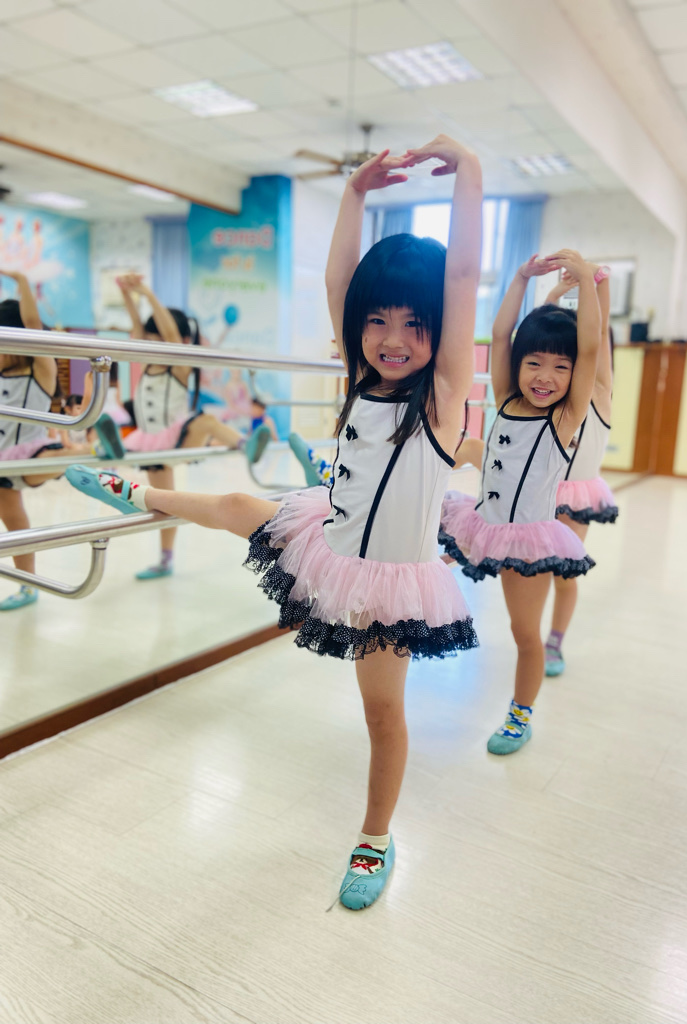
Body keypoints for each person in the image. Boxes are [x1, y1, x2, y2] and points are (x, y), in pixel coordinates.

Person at [66, 135, 482, 910]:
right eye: (378, 320)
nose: (393, 339)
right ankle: (140, 493)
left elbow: (460, 277)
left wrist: (469, 176)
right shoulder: (360, 377)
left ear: (441, 331)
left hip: (393, 577)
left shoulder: (441, 394)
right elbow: (337, 282)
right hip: (331, 535)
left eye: (414, 324)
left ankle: (375, 837)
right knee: (233, 507)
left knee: (382, 712)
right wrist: (353, 192)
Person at [440, 251, 600, 754]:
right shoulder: (507, 399)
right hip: (481, 524)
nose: (545, 376)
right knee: (421, 541)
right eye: (534, 363)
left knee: (524, 633)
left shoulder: (565, 417)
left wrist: (588, 281)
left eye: (560, 367)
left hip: (529, 540)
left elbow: (591, 347)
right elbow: (500, 332)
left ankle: (520, 714)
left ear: (574, 374)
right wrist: (520, 278)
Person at [114, 274, 264, 581]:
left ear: (179, 342)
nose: (153, 343)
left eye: (158, 338)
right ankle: (165, 559)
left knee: (205, 420)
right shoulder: (147, 362)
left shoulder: (180, 366)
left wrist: (146, 292)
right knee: (163, 501)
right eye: (150, 338)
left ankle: (245, 445)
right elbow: (137, 327)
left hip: (179, 436)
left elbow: (169, 333)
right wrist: (126, 293)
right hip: (150, 442)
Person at [0, 272, 121, 612]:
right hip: (4, 461)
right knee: (14, 522)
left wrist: (22, 280)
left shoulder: (40, 367)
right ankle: (28, 585)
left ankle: (96, 451)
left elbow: (31, 324)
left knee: (59, 460)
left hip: (32, 452)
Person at [542, 265, 618, 677]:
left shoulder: (599, 394)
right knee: (532, 570)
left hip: (575, 496)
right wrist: (556, 295)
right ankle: (530, 634)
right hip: (540, 490)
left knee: (564, 573)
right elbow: (542, 329)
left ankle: (555, 640)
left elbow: (599, 333)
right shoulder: (552, 396)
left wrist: (597, 284)